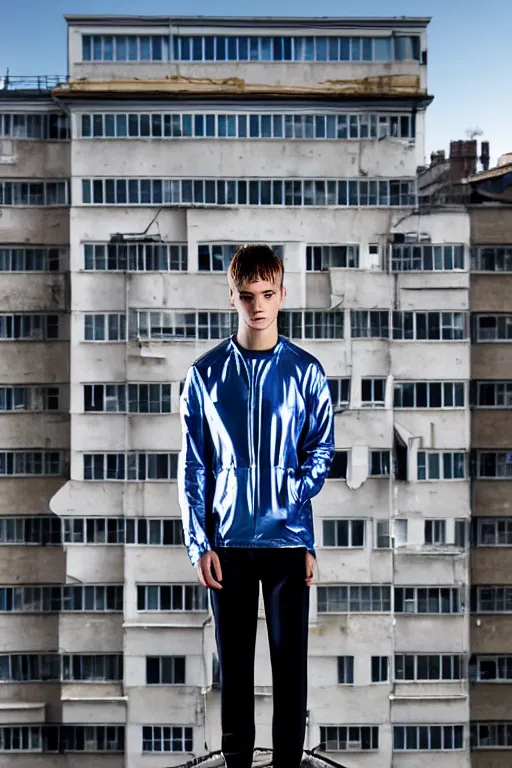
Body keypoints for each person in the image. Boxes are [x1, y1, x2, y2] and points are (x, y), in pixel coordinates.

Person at [178, 244, 335, 768]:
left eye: (268, 294)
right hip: (227, 544)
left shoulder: (306, 372)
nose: (258, 306)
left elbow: (321, 449)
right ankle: (238, 765)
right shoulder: (204, 376)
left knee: (291, 667)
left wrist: (293, 509)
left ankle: (289, 765)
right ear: (231, 297)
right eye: (247, 296)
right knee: (236, 670)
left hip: (288, 543)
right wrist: (199, 544)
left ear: (283, 293)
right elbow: (194, 467)